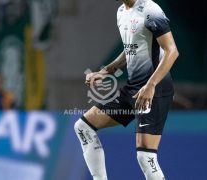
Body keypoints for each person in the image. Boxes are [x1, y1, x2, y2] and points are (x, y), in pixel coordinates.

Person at [74, 0, 179, 179]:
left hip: (155, 89)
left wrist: (150, 85)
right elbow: (131, 48)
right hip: (133, 87)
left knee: (145, 157)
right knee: (83, 127)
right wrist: (107, 70)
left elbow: (172, 51)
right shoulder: (121, 11)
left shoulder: (150, 10)